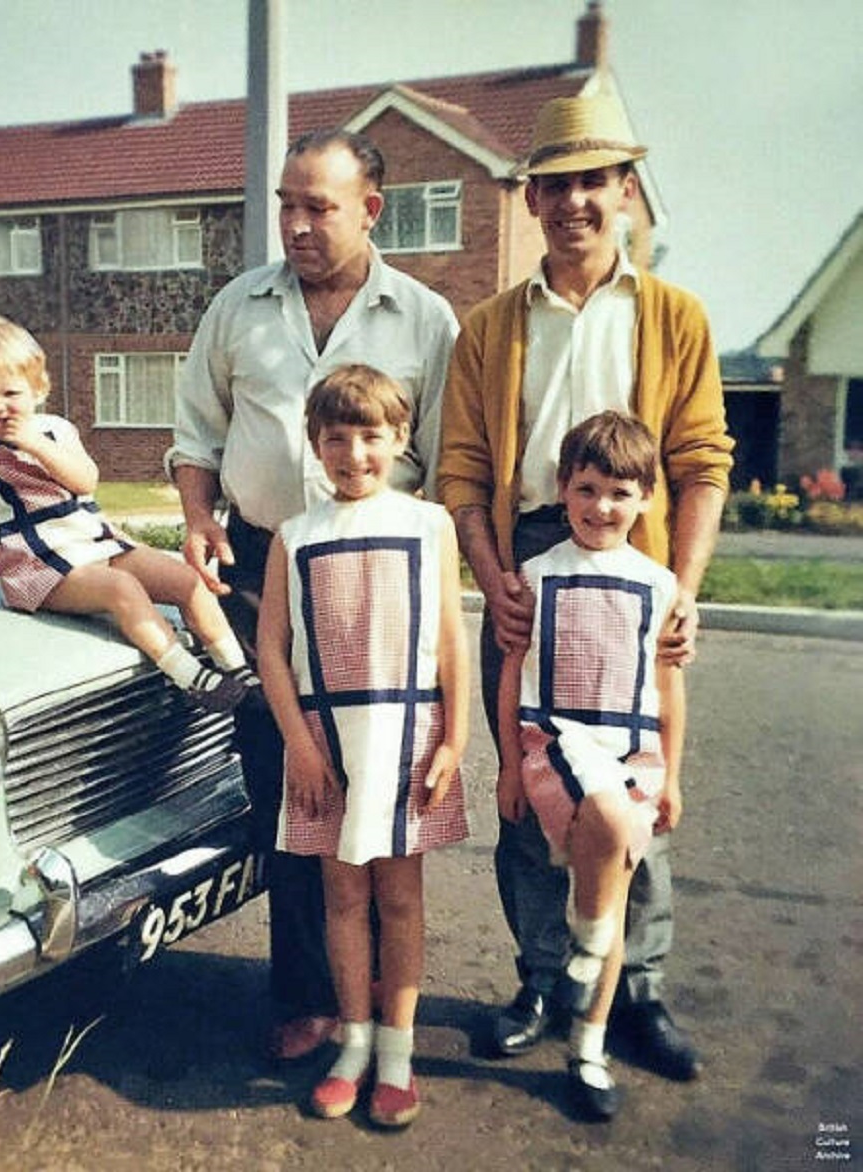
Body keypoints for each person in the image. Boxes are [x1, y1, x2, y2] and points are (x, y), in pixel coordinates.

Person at [437, 94, 733, 1082]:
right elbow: (465, 471)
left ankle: (635, 986)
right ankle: (538, 978)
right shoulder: (489, 326)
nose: (573, 202)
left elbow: (700, 462)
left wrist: (682, 588)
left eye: (592, 182)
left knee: (633, 791)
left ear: (626, 191)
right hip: (529, 557)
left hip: (634, 559)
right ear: (532, 198)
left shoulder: (674, 316)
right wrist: (494, 577)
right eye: (555, 184)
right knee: (531, 788)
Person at [168, 128, 459, 1061]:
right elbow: (195, 432)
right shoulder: (239, 308)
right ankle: (305, 998)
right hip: (265, 559)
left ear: (370, 210)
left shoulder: (424, 320)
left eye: (317, 207)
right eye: (286, 205)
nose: (294, 223)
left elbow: (453, 461)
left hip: (383, 577)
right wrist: (199, 516)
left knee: (385, 791)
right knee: (293, 786)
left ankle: (381, 1007)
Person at [257, 365, 469, 1127]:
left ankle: (397, 1054)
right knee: (342, 898)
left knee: (400, 898)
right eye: (336, 438)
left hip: (406, 732)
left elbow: (450, 637)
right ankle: (351, 1044)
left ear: (400, 438)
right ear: (314, 444)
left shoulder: (429, 524)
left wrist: (456, 737)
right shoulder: (295, 536)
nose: (353, 454)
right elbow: (272, 651)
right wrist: (300, 748)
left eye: (370, 436)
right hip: (324, 738)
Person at [0, 313, 257, 713]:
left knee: (186, 580)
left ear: (38, 390)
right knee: (122, 589)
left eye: (10, 394)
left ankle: (238, 669)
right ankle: (190, 676)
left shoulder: (55, 431)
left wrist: (36, 445)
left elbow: (85, 480)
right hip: (36, 570)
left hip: (95, 544)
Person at [498, 410, 685, 1120]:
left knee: (607, 884)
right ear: (564, 490)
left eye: (620, 492)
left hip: (635, 751)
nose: (602, 507)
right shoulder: (537, 575)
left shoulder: (658, 584)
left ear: (645, 499)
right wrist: (512, 766)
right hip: (557, 745)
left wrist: (677, 774)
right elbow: (513, 669)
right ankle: (587, 949)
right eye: (587, 489)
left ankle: (589, 1048)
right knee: (603, 838)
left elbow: (669, 687)